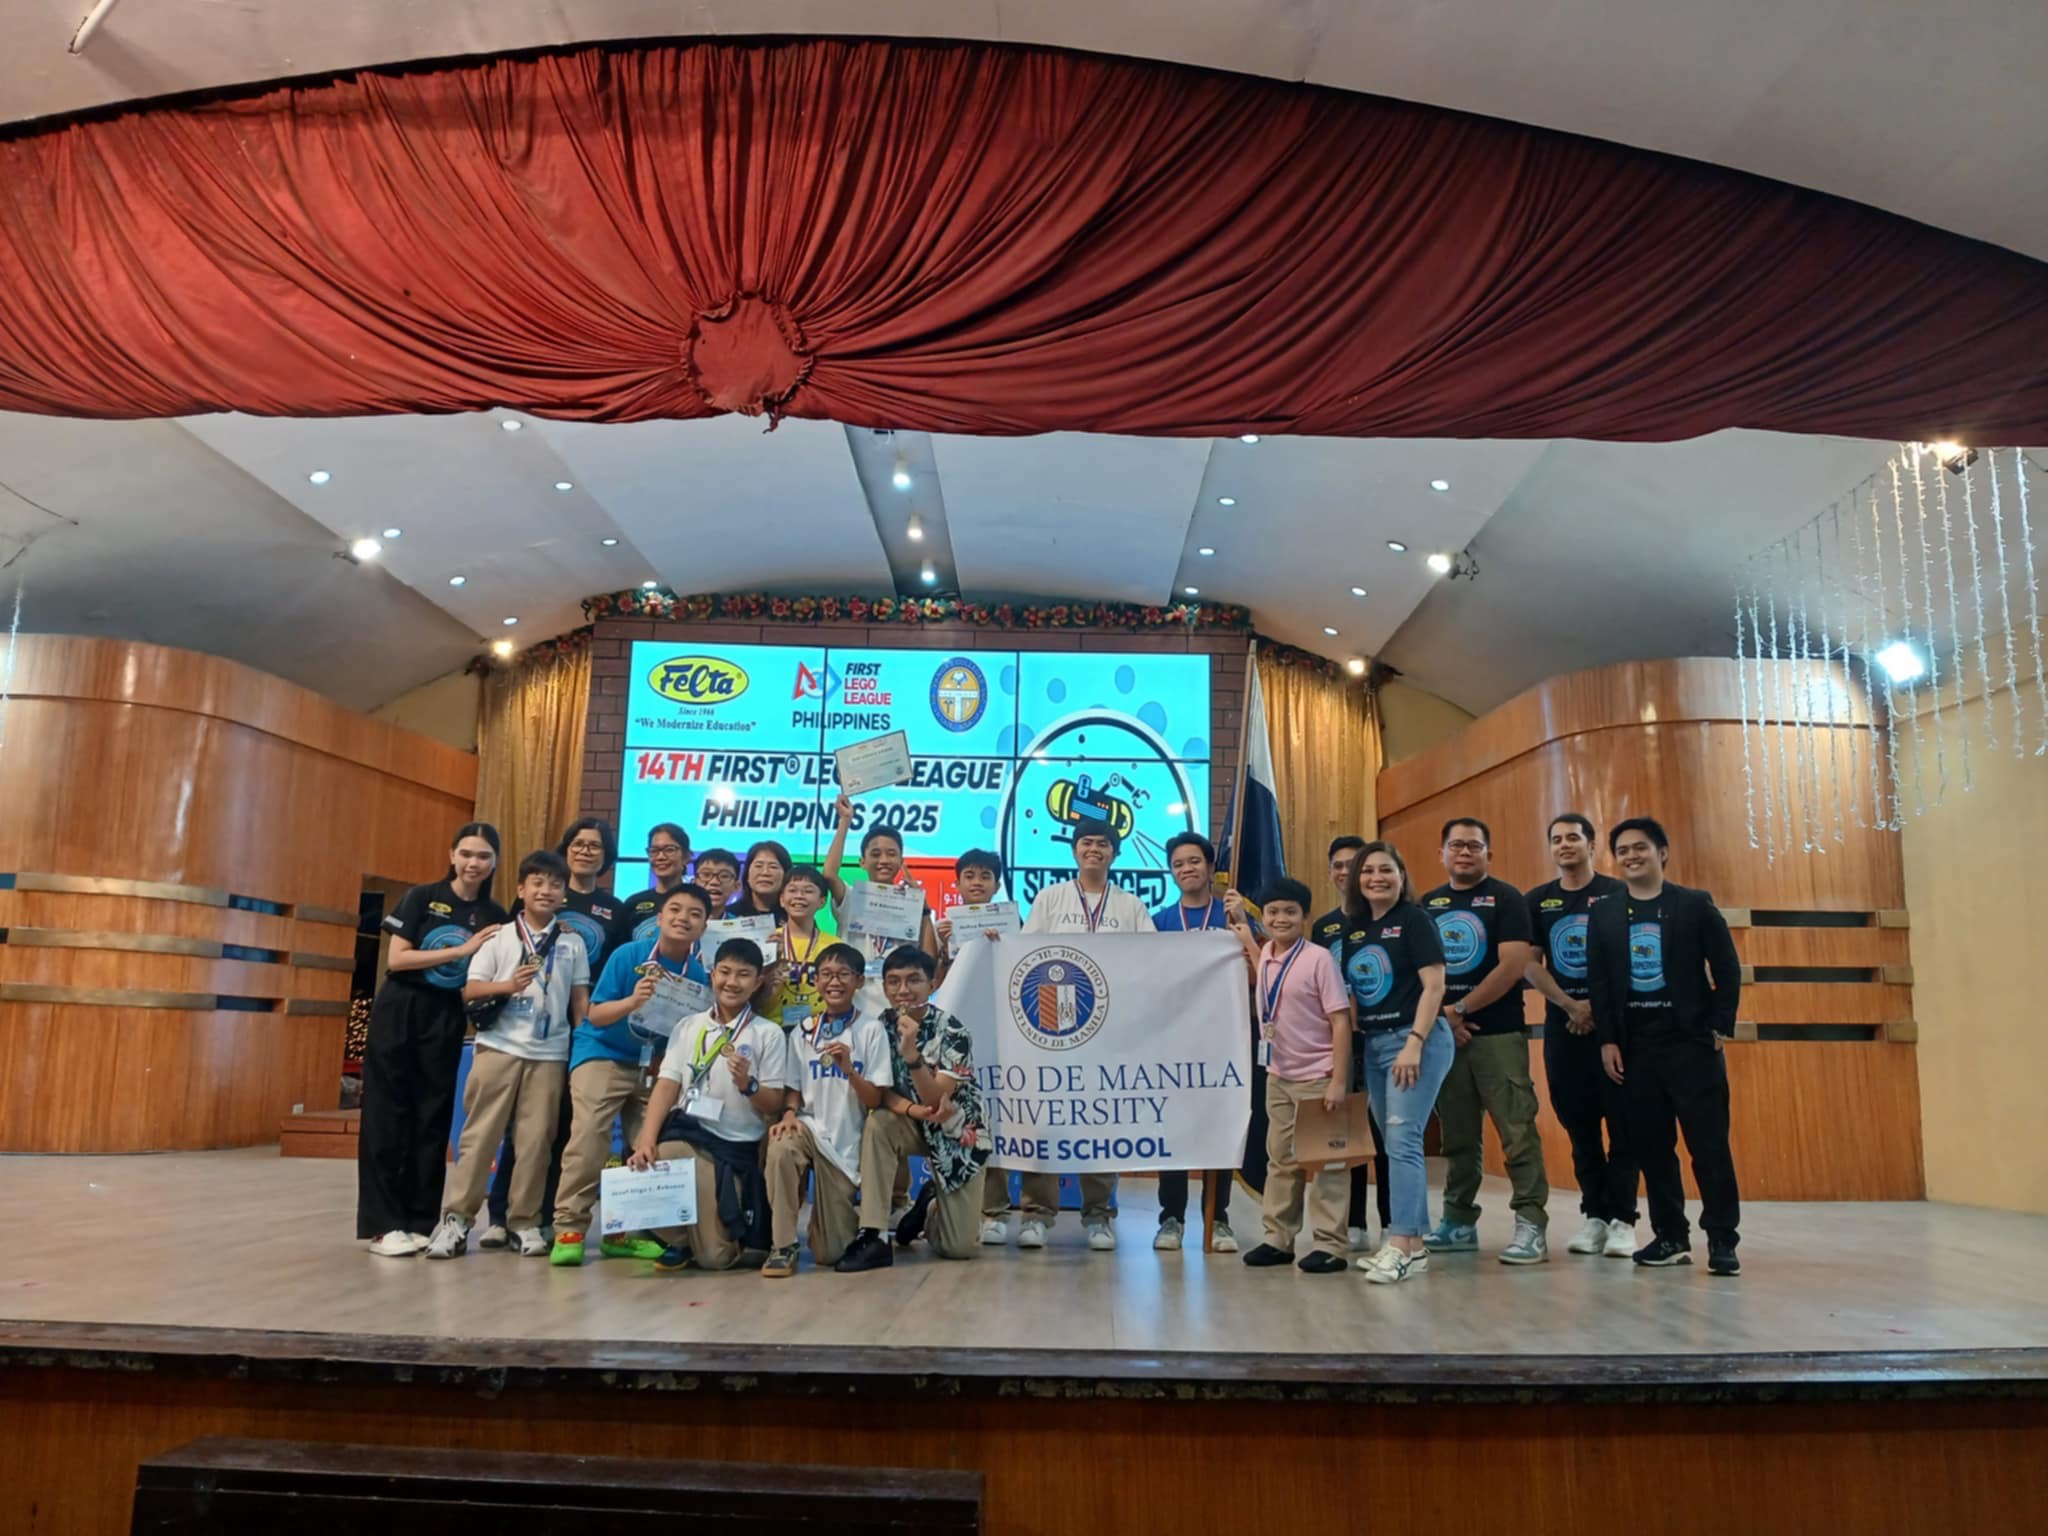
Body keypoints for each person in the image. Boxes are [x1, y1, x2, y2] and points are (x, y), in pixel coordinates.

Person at [982, 818, 1154, 1251]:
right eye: (1086, 842)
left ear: (1115, 852)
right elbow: (1025, 955)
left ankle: (1099, 1218)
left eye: (1103, 843)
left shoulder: (1131, 905)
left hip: (1108, 1032)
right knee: (1043, 1121)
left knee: (1099, 1122)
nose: (1094, 849)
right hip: (1052, 1029)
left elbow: (1154, 957)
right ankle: (1038, 1215)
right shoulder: (1050, 898)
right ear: (1074, 851)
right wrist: (995, 941)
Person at [1587, 817, 1743, 1277]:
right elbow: (1599, 981)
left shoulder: (1693, 905)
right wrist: (1608, 1040)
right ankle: (1671, 1235)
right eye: (1623, 850)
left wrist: (1720, 1026)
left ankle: (1722, 1239)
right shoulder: (1606, 912)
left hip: (1691, 1044)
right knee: (1652, 1148)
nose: (1632, 856)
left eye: (1641, 848)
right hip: (1636, 1047)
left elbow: (1727, 969)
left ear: (1662, 852)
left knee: (1709, 1146)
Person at [426, 850, 591, 1259]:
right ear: (521, 889)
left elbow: (580, 1005)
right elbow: (471, 989)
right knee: (480, 1137)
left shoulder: (572, 941)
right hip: (498, 1047)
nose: (546, 890)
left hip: (550, 1055)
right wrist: (507, 987)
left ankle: (524, 1221)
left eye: (555, 884)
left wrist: (583, 1049)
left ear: (563, 893)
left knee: (537, 1141)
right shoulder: (498, 936)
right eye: (537, 882)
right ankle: (456, 1221)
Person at [357, 823, 508, 1257]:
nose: (473, 863)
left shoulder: (495, 915)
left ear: (494, 861)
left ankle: (421, 1221)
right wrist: (459, 951)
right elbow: (398, 959)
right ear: (452, 855)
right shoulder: (423, 897)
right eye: (465, 854)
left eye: (482, 856)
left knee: (432, 1117)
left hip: (447, 1015)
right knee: (387, 1116)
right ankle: (383, 1225)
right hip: (402, 1008)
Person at [549, 883, 711, 1266]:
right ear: (659, 917)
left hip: (651, 1067)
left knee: (649, 1145)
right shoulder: (629, 956)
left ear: (704, 926)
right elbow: (596, 1015)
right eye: (675, 910)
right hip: (602, 1053)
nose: (683, 918)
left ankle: (622, 1232)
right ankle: (569, 1227)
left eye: (694, 913)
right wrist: (634, 1001)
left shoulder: (700, 975)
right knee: (590, 1136)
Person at [480, 817, 619, 1250]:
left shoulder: (613, 908)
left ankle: (541, 1217)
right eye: (579, 844)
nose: (586, 851)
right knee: (515, 1130)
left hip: (574, 1028)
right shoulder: (540, 894)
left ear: (606, 855)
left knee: (555, 1129)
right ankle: (499, 1216)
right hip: (518, 1030)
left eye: (595, 846)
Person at [1421, 817, 1549, 1264]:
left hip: (1497, 1035)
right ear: (1442, 853)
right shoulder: (1429, 904)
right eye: (1455, 845)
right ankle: (1457, 1222)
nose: (1464, 852)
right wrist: (1445, 1019)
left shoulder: (1507, 898)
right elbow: (1420, 974)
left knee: (1517, 1131)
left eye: (1474, 846)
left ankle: (1531, 1223)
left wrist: (1461, 1010)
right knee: (1457, 1137)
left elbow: (1513, 965)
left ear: (1488, 855)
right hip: (1444, 1037)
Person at [628, 938, 792, 1272]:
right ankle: (679, 1240)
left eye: (744, 975)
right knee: (644, 1167)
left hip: (735, 1148)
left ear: (758, 982)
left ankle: (702, 1241)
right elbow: (667, 1083)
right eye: (725, 972)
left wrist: (750, 1085)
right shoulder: (689, 1026)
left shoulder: (768, 1034)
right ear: (712, 974)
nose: (732, 982)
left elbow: (773, 1101)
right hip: (689, 1136)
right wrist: (646, 1139)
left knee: (714, 1259)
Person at [1225, 877, 1352, 1274]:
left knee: (1329, 1164)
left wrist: (1338, 1080)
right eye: (1273, 912)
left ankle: (1331, 1245)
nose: (1281, 919)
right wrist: (1245, 931)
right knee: (1280, 1160)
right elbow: (1258, 960)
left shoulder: (1318, 959)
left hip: (1318, 1076)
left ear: (1305, 917)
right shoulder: (1267, 958)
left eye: (1290, 912)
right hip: (1279, 1075)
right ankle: (1277, 1239)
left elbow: (1341, 1021)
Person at [1525, 813, 1637, 1258]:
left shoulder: (1618, 893)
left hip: (1615, 1029)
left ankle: (1623, 1219)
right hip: (1563, 1026)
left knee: (1625, 1125)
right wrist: (1571, 1006)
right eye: (1557, 839)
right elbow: (1531, 964)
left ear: (1592, 845)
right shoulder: (1538, 901)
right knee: (1581, 1127)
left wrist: (1597, 1011)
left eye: (1574, 837)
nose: (1565, 845)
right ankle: (1593, 1215)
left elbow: (1630, 957)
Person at [1340, 842, 1453, 1285]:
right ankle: (1417, 1247)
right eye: (1367, 871)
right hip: (1374, 1046)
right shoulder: (1355, 930)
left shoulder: (1416, 921)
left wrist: (1415, 1042)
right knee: (1391, 1144)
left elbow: (1434, 986)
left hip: (1416, 1042)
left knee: (1404, 1141)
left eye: (1386, 870)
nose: (1376, 878)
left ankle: (1401, 1243)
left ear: (1402, 876)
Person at [840, 946, 992, 1269]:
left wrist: (912, 1056)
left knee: (959, 1248)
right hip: (911, 1121)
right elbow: (883, 1095)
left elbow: (937, 1101)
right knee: (878, 1123)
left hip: (955, 1131)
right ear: (883, 988)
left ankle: (931, 1206)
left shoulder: (953, 1031)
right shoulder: (876, 1028)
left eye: (914, 980)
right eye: (893, 982)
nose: (903, 990)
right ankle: (874, 1234)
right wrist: (911, 1111)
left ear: (933, 984)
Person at [761, 943, 891, 1276]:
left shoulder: (871, 1030)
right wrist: (789, 1114)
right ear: (816, 981)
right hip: (808, 1127)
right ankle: (783, 1244)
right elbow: (793, 1088)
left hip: (845, 1144)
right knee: (780, 1147)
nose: (834, 982)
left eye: (843, 974)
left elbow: (875, 1099)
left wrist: (849, 1070)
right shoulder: (802, 1033)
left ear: (859, 981)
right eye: (826, 974)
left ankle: (830, 1226)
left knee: (831, 1254)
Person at [1149, 831, 1239, 1253]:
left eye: (1194, 861)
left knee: (1220, 1130)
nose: (1187, 869)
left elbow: (1261, 972)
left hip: (1225, 1041)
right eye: (1179, 864)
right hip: (1174, 1042)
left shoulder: (1234, 915)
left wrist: (1244, 928)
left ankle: (1217, 1218)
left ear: (1210, 866)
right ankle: (1171, 1218)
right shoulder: (1162, 921)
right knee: (1174, 1130)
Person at [1310, 833, 1387, 1254]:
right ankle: (1352, 1221)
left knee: (1388, 1133)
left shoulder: (1385, 917)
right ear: (1331, 873)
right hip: (1340, 1043)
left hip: (1384, 1037)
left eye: (1354, 863)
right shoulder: (1324, 927)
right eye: (1338, 865)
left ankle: (1392, 1222)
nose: (1346, 871)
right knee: (1347, 1133)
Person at [822, 793, 940, 1019]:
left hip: (900, 1006)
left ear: (901, 860)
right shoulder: (851, 896)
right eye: (875, 854)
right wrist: (845, 821)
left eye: (891, 854)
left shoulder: (912, 903)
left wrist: (924, 910)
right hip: (854, 1006)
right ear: (862, 862)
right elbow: (828, 873)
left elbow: (929, 959)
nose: (883, 860)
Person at [764, 865, 833, 1032]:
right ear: (781, 899)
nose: (799, 896)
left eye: (808, 891)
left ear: (822, 901)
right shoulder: (768, 941)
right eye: (792, 890)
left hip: (820, 1031)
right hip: (772, 1029)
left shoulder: (835, 946)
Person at [606, 823, 692, 955]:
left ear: (686, 857)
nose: (661, 857)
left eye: (669, 850)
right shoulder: (633, 903)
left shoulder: (697, 901)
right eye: (654, 851)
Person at [933, 847, 1006, 987]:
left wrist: (1001, 946)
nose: (977, 882)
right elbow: (932, 985)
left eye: (985, 877)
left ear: (997, 886)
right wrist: (945, 951)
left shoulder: (1009, 927)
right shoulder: (941, 929)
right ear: (957, 885)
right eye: (969, 876)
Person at [730, 839, 792, 923]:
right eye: (758, 866)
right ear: (747, 874)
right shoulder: (730, 915)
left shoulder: (795, 917)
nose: (765, 872)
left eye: (773, 867)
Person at [692, 848, 742, 918]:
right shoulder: (679, 921)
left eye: (724, 876)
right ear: (694, 883)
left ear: (736, 886)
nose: (714, 882)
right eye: (706, 874)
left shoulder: (738, 925)